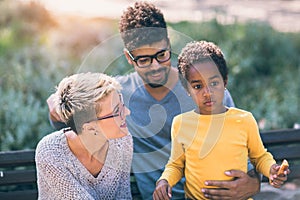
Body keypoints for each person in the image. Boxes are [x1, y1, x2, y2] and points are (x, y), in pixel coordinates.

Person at [47, 2, 261, 199]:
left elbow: (247, 151)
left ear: (169, 44)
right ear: (129, 57)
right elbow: (67, 113)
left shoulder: (205, 91)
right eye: (144, 59)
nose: (156, 66)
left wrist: (254, 183)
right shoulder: (117, 97)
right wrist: (56, 106)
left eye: (162, 55)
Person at [153, 40, 290, 200]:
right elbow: (176, 165)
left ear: (225, 82)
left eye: (214, 83)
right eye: (198, 86)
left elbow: (259, 157)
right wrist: (164, 181)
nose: (207, 92)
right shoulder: (181, 123)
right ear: (187, 89)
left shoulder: (244, 120)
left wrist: (272, 169)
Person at [36, 72, 133, 199]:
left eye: (122, 104)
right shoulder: (50, 152)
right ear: (90, 127)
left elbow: (123, 196)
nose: (127, 112)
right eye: (117, 111)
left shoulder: (123, 141)